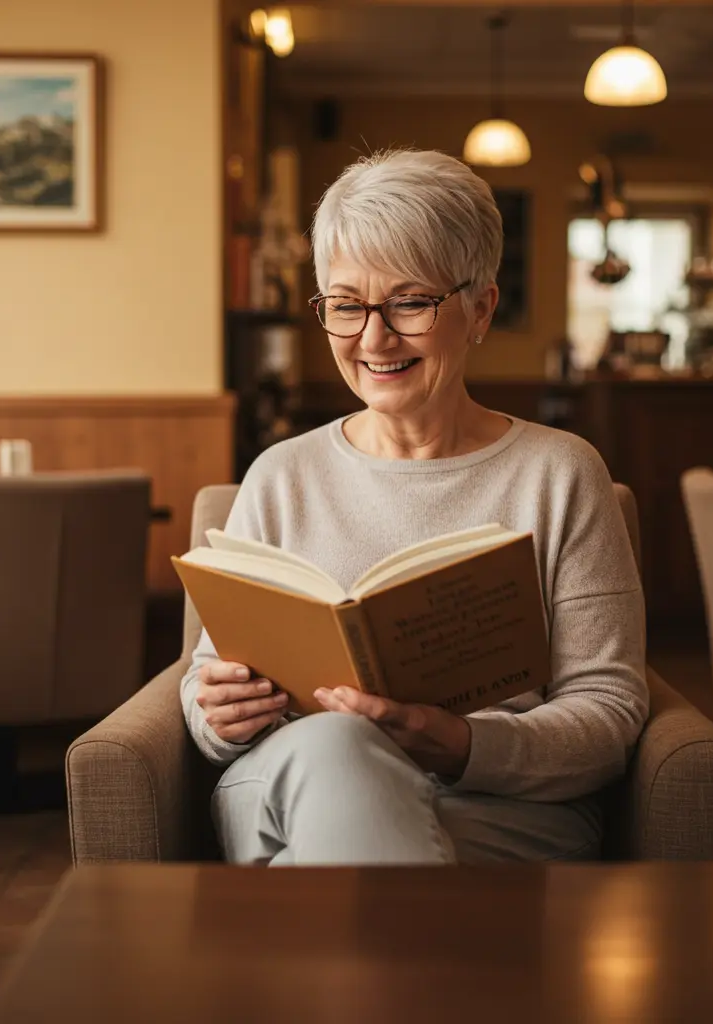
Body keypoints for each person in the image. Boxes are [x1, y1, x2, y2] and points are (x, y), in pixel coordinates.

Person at [181, 149, 647, 865]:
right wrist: (219, 714)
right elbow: (206, 686)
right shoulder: (280, 475)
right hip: (293, 779)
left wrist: (460, 743)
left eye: (409, 302)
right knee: (337, 746)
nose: (373, 338)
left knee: (334, 860)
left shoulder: (561, 474)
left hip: (491, 801)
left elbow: (609, 713)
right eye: (345, 305)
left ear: (480, 308)